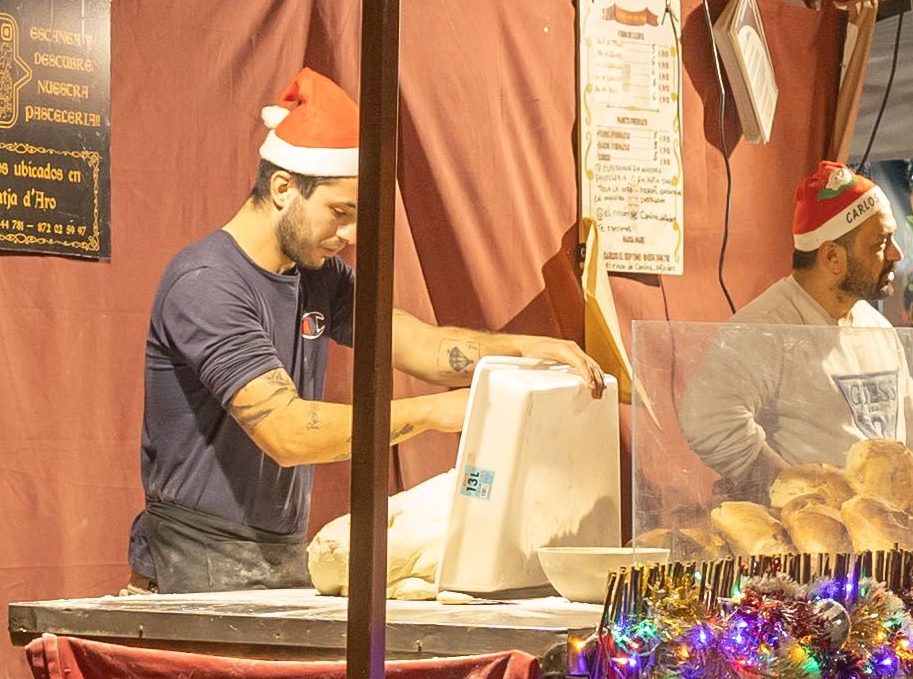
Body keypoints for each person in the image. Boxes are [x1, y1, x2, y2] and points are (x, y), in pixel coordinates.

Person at [128, 67, 589, 593]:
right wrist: (432, 413)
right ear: (283, 188)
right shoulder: (207, 283)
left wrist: (523, 346)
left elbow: (419, 343)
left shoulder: (317, 275)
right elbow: (286, 432)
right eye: (339, 213)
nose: (348, 236)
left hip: (278, 554)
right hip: (192, 561)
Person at [685, 163, 913, 495]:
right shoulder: (768, 326)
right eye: (881, 243)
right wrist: (792, 494)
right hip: (805, 541)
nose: (896, 254)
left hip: (877, 535)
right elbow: (707, 419)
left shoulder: (874, 325)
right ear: (832, 257)